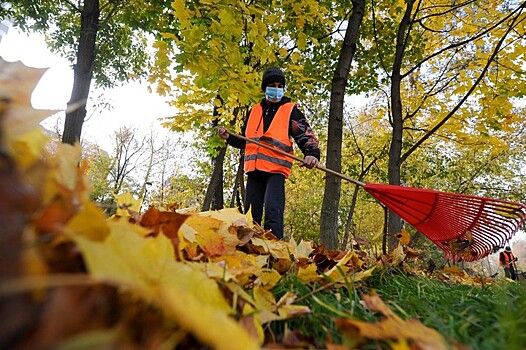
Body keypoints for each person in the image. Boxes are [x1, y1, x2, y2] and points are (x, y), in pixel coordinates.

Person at [218, 66, 320, 239]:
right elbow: (245, 139)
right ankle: (250, 251)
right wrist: (229, 137)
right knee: (251, 216)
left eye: (280, 85)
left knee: (273, 211)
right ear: (265, 88)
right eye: (273, 85)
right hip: (254, 170)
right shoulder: (254, 111)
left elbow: (305, 134)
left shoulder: (290, 110)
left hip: (276, 170)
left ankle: (275, 253)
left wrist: (312, 154)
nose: (277, 89)